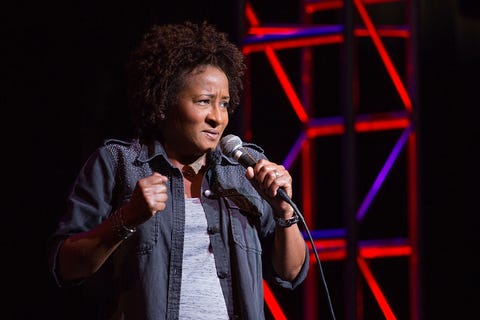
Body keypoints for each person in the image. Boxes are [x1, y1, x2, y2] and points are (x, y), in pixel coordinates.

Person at [48, 21, 309, 319]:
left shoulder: (243, 170)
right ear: (163, 104)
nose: (217, 117)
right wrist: (128, 218)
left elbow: (290, 273)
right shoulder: (119, 164)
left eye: (224, 104)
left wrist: (284, 213)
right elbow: (65, 266)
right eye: (203, 102)